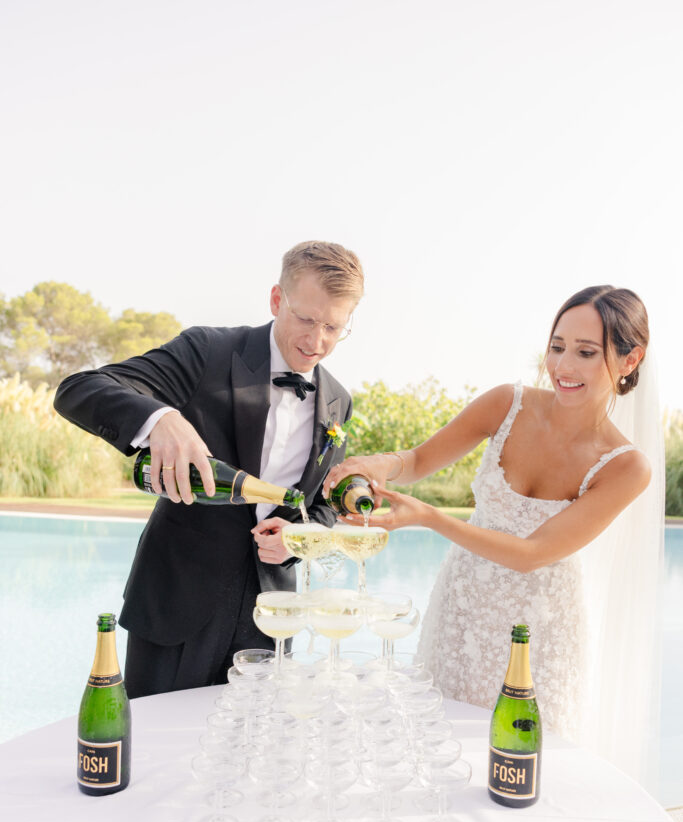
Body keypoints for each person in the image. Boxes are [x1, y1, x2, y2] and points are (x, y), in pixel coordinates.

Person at [324, 286, 664, 784]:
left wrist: (431, 518)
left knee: (516, 769)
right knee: (435, 755)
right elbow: (418, 461)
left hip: (540, 629)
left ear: (630, 359)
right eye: (557, 346)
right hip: (462, 608)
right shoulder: (508, 403)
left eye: (586, 353)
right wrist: (380, 463)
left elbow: (532, 554)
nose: (563, 366)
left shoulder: (628, 467)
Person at [54, 240, 364, 697]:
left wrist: (296, 541)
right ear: (277, 299)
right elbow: (80, 388)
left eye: (333, 328)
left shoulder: (339, 400)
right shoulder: (207, 351)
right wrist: (162, 419)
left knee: (252, 755)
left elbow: (318, 509)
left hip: (271, 618)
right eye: (305, 319)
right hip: (177, 606)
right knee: (157, 753)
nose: (316, 341)